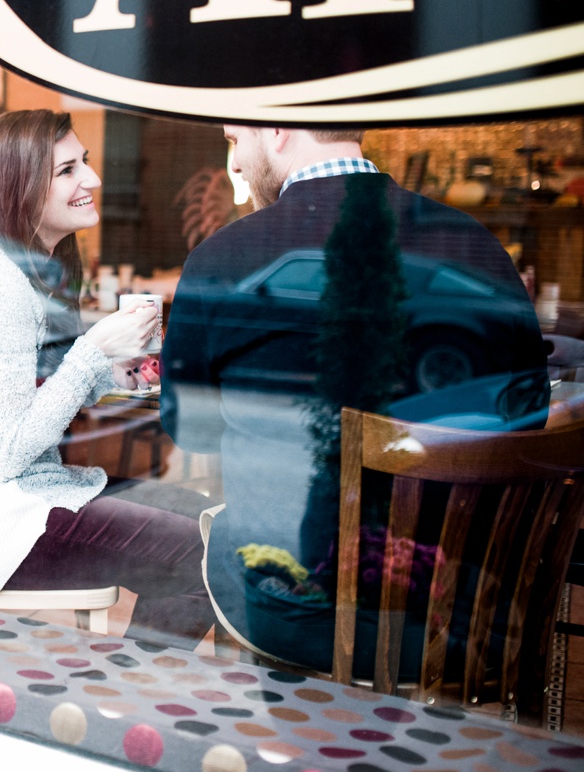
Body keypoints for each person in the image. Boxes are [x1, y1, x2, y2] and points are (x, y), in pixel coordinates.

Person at [160, 125, 548, 673]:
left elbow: (189, 430)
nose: (237, 165)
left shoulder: (223, 260)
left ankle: (273, 744)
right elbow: (528, 412)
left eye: (233, 141)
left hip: (299, 615)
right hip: (466, 616)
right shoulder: (476, 245)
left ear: (276, 130)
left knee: (211, 532)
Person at [0, 109, 216, 649]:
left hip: (25, 505)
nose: (93, 180)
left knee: (205, 521)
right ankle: (131, 703)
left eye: (87, 163)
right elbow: (10, 449)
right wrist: (88, 355)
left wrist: (109, 372)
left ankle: (133, 690)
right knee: (202, 552)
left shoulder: (21, 272)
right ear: (20, 186)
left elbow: (26, 395)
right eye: (68, 170)